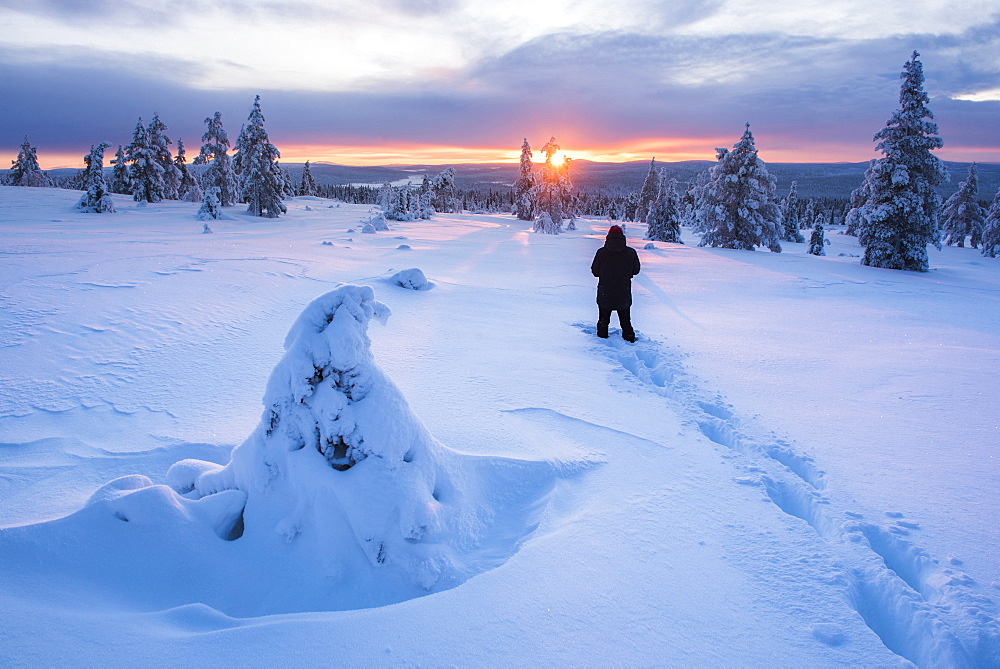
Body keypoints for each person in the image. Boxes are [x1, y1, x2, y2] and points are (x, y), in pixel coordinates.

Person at [591, 224, 640, 342]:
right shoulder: (630, 252)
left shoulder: (601, 252)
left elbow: (595, 271)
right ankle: (629, 338)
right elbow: (636, 270)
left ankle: (601, 341)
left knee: (603, 319)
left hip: (605, 292)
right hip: (623, 292)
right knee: (625, 320)